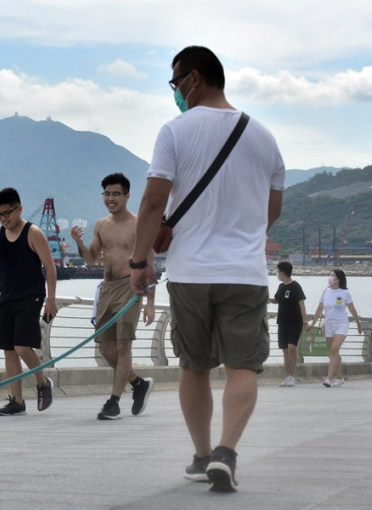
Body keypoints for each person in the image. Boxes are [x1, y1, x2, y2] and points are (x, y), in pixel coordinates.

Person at [129, 46, 285, 492]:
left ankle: (201, 456)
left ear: (193, 78)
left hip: (191, 272)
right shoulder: (265, 136)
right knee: (242, 366)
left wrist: (141, 261)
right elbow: (268, 214)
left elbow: (154, 202)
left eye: (175, 82)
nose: (175, 92)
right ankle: (226, 452)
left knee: (194, 365)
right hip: (245, 272)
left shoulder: (175, 130)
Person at [70, 173, 155, 420]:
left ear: (127, 196)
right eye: (107, 194)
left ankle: (114, 401)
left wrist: (149, 302)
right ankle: (139, 384)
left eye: (116, 194)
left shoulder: (140, 224)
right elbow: (90, 259)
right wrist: (79, 242)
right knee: (106, 349)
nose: (110, 198)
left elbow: (149, 263)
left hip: (131, 288)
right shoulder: (101, 225)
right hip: (107, 289)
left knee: (122, 345)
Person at [0, 187, 57, 416]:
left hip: (31, 295)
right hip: (7, 297)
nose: (4, 219)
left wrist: (51, 299)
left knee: (22, 346)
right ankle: (17, 401)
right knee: (9, 351)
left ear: (19, 209)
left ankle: (43, 382)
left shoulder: (33, 233)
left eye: (7, 213)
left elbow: (50, 267)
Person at [305, 269, 363, 387]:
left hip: (341, 323)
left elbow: (352, 309)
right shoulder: (325, 291)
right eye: (330, 275)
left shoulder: (344, 293)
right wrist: (312, 323)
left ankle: (329, 378)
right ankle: (340, 378)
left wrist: (358, 323)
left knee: (333, 350)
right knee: (333, 352)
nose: (330, 277)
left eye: (333, 276)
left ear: (339, 279)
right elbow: (319, 309)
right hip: (329, 324)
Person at [268, 261, 308, 387]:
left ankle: (291, 376)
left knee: (292, 348)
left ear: (283, 273)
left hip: (295, 323)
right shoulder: (281, 287)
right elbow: (277, 300)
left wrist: (305, 321)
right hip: (282, 323)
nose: (277, 273)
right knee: (285, 351)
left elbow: (302, 304)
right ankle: (287, 377)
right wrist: (267, 299)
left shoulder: (296, 286)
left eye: (277, 271)